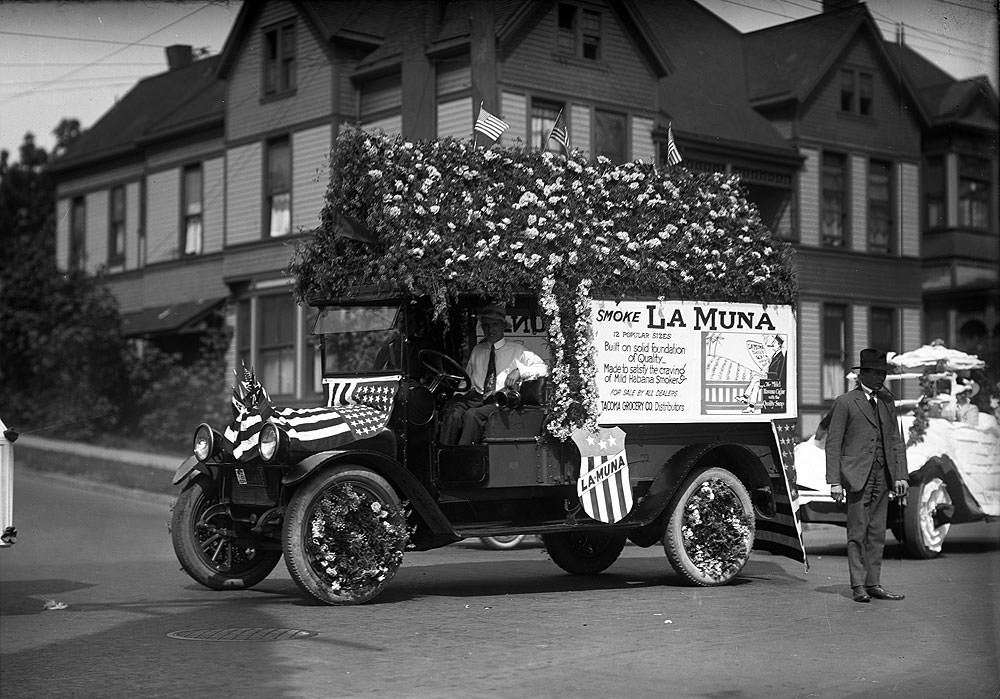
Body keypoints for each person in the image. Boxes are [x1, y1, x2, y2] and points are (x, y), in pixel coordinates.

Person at [825, 348, 909, 603]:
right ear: (864, 374)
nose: (881, 377)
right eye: (877, 373)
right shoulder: (846, 402)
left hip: (883, 475)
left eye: (883, 373)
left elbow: (896, 439)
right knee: (857, 531)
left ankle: (874, 583)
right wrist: (835, 481)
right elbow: (833, 444)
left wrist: (901, 475)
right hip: (856, 476)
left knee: (877, 532)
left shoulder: (887, 400)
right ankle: (858, 585)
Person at [440, 304, 548, 445]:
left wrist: (520, 371)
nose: (490, 330)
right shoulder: (477, 350)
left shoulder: (517, 350)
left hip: (498, 399)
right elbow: (467, 379)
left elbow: (544, 368)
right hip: (475, 397)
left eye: (494, 325)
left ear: (503, 326)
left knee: (472, 415)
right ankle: (443, 454)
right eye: (486, 326)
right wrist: (457, 396)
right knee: (452, 413)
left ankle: (464, 455)